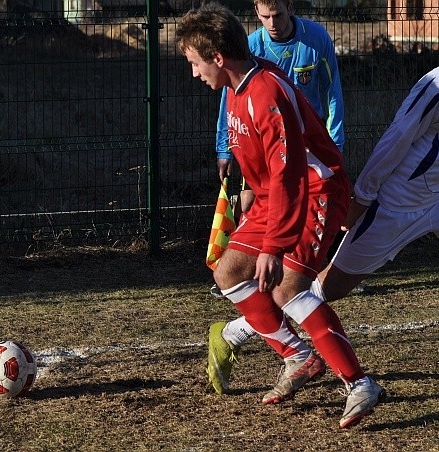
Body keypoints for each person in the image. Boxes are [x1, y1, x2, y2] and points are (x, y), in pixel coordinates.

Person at [207, 19, 439, 396]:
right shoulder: (437, 88)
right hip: (396, 204)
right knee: (320, 291)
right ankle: (232, 333)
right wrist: (362, 198)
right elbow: (395, 140)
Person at [176, 2, 385, 428]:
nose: (194, 73)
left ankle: (360, 382)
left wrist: (272, 246)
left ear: (217, 58)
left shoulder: (266, 92)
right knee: (229, 271)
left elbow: (291, 171)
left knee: (287, 289)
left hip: (314, 190)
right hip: (276, 192)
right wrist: (253, 191)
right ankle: (298, 356)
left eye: (195, 63)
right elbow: (263, 160)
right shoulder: (236, 90)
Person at [210, 0, 347, 299]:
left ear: (291, 7)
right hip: (261, 143)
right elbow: (229, 98)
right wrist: (225, 147)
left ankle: (318, 271)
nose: (272, 23)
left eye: (278, 15)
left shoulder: (316, 39)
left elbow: (332, 89)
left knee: (309, 204)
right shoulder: (250, 44)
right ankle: (245, 267)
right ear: (256, 13)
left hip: (308, 147)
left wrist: (335, 140)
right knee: (251, 202)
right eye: (264, 17)